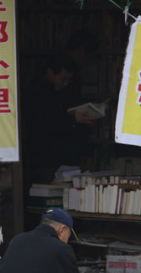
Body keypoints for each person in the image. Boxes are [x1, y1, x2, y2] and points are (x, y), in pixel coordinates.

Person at [23, 53, 100, 183]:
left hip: (68, 157)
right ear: (50, 73)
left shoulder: (67, 92)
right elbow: (40, 124)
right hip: (45, 159)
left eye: (68, 80)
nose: (65, 83)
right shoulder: (35, 93)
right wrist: (72, 121)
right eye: (62, 78)